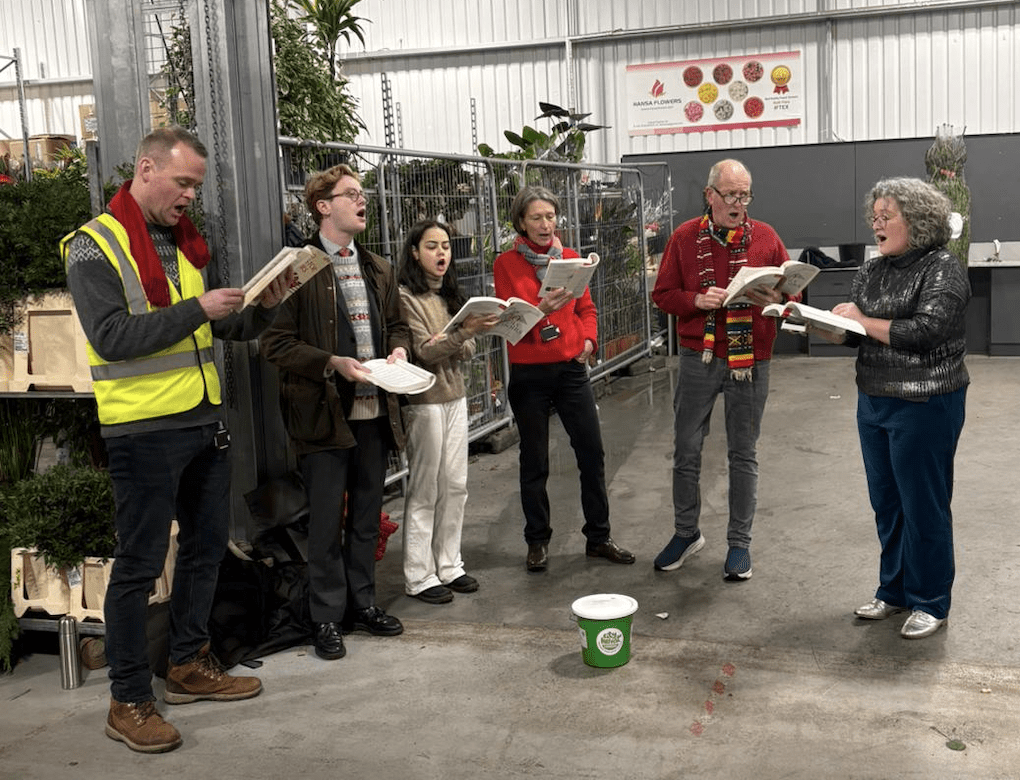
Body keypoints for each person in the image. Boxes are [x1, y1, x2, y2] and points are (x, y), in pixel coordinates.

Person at [62, 126, 289, 753]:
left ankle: (188, 664)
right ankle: (128, 699)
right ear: (145, 168)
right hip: (142, 430)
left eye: (196, 184)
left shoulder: (183, 242)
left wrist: (267, 304)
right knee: (137, 568)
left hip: (201, 419)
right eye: (183, 181)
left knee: (206, 548)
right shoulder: (92, 247)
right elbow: (111, 337)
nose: (191, 194)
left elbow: (223, 329)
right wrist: (202, 310)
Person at [260, 164, 411, 661]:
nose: (361, 200)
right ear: (323, 206)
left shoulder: (378, 267)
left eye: (362, 193)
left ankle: (361, 605)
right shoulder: (295, 269)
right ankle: (325, 617)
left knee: (367, 516)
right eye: (350, 194)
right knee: (326, 522)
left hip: (374, 412)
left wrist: (398, 351)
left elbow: (395, 325)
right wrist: (330, 363)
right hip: (324, 415)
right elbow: (274, 343)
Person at [825, 177, 969, 639]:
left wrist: (862, 320)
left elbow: (924, 331)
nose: (877, 223)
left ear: (918, 221)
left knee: (923, 504)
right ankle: (895, 590)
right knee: (887, 503)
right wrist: (816, 323)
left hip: (926, 400)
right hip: (875, 399)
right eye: (875, 215)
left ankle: (931, 600)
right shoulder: (872, 269)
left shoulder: (943, 267)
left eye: (887, 216)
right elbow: (855, 334)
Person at [651, 159, 790, 581]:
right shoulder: (683, 238)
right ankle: (686, 533)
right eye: (730, 194)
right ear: (709, 195)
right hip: (700, 356)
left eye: (744, 195)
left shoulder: (766, 237)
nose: (738, 203)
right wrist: (696, 301)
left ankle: (739, 545)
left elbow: (790, 293)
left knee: (743, 453)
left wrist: (775, 296)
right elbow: (664, 294)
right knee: (687, 448)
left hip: (752, 358)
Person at [493, 185, 635, 572]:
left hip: (572, 368)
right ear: (521, 223)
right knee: (534, 460)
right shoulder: (505, 264)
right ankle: (537, 541)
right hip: (529, 372)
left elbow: (586, 308)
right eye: (536, 218)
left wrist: (589, 339)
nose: (545, 224)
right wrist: (542, 307)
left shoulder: (571, 258)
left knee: (592, 452)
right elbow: (510, 325)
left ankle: (599, 536)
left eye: (551, 217)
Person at [396, 220, 500, 604]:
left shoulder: (450, 295)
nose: (441, 254)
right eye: (431, 246)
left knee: (455, 484)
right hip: (425, 401)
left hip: (455, 396)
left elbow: (465, 351)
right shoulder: (407, 297)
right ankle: (418, 575)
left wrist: (460, 335)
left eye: (445, 246)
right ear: (414, 252)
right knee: (426, 488)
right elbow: (424, 350)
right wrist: (458, 336)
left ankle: (449, 564)